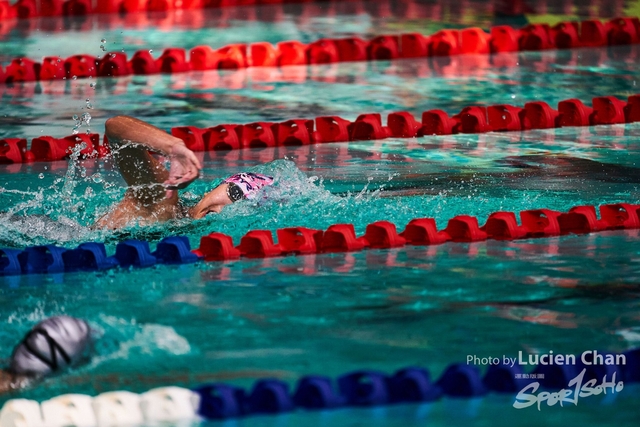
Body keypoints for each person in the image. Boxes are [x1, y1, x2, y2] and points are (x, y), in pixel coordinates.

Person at [93, 116, 274, 229]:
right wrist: (173, 146)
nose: (223, 209)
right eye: (235, 193)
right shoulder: (165, 198)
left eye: (241, 205)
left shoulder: (178, 221)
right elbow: (115, 127)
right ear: (208, 191)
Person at [0, 316, 91, 396]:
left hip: (60, 339)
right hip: (52, 331)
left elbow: (72, 380)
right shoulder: (18, 364)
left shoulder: (27, 380)